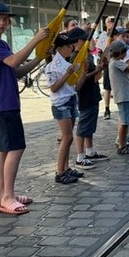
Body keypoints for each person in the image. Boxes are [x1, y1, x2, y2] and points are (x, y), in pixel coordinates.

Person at [0, 3, 49, 213]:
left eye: (5, 19)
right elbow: (15, 62)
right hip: (1, 101)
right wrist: (35, 39)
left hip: (6, 101)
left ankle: (4, 195)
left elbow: (16, 71)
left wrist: (40, 58)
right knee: (15, 147)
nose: (2, 23)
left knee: (4, 148)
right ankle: (7, 196)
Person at [45, 32, 83, 184]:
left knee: (68, 137)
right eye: (68, 46)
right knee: (67, 137)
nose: (72, 48)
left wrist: (83, 72)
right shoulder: (52, 66)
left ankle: (66, 168)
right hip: (61, 103)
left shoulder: (68, 64)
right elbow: (53, 88)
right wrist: (67, 75)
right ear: (59, 48)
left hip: (71, 99)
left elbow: (76, 86)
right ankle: (60, 171)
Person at [68, 27, 108, 170]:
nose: (88, 41)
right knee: (84, 124)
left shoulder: (87, 54)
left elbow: (92, 73)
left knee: (90, 124)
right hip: (84, 93)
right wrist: (97, 70)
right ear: (77, 41)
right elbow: (80, 78)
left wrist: (100, 68)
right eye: (85, 39)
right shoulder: (76, 56)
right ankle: (81, 156)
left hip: (93, 91)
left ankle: (90, 151)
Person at [108, 39, 129, 154]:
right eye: (124, 51)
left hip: (126, 94)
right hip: (123, 95)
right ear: (119, 52)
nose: (125, 54)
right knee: (124, 122)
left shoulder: (117, 62)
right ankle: (122, 145)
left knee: (125, 121)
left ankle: (123, 143)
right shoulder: (115, 62)